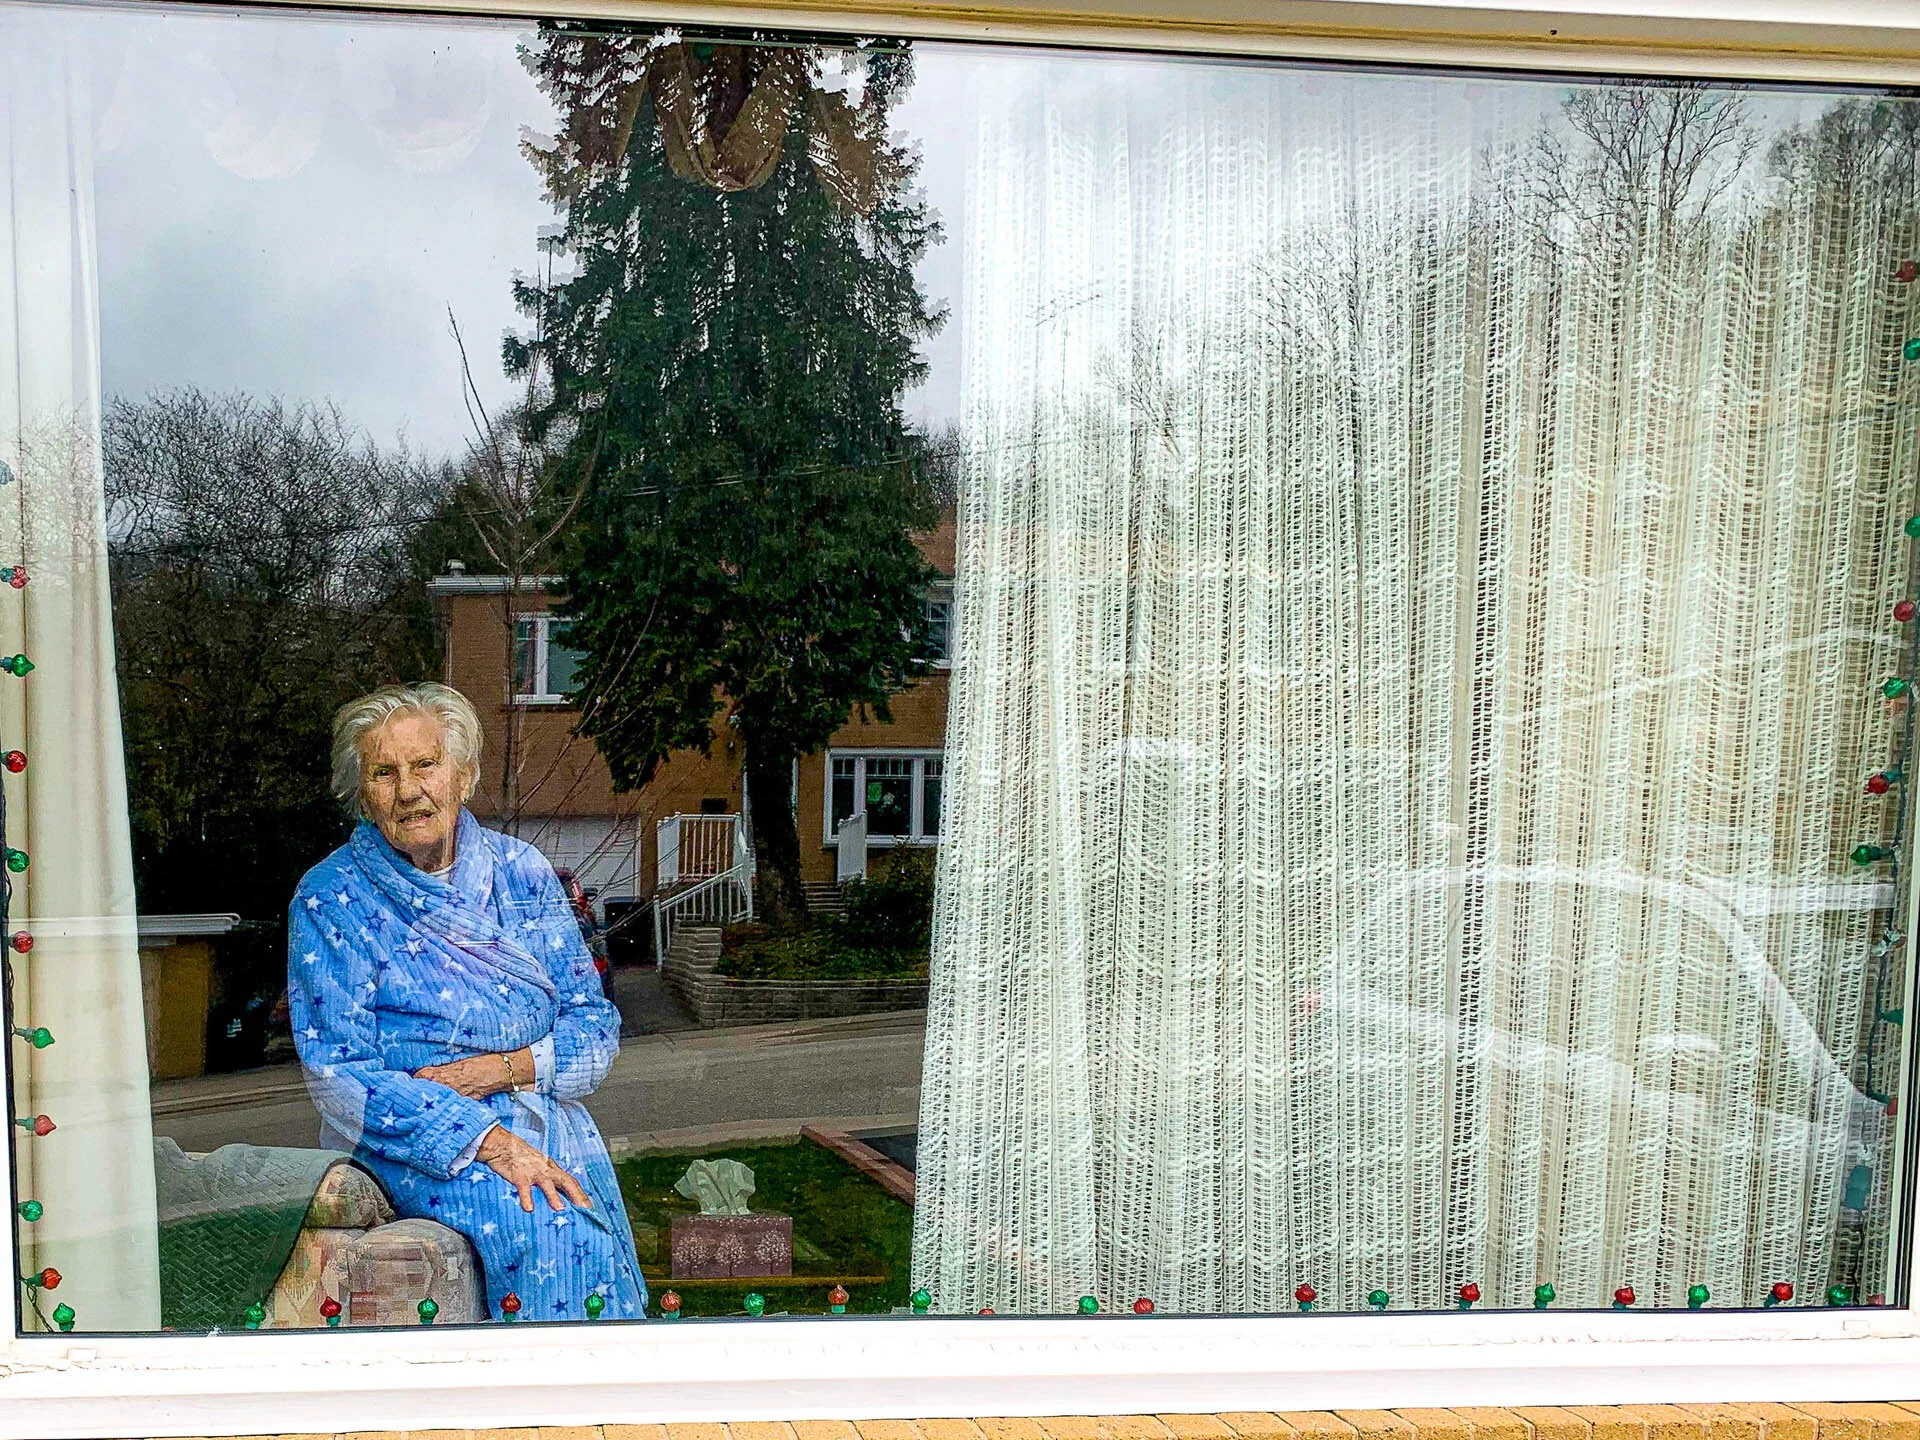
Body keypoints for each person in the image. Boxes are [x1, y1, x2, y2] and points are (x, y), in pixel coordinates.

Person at [287, 681, 647, 1322]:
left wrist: (500, 1071)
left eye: (425, 765)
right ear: (362, 794)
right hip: (418, 1137)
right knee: (550, 1229)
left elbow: (593, 1026)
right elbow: (338, 1075)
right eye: (384, 772)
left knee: (590, 1243)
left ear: (464, 775)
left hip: (544, 1123)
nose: (408, 789)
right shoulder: (331, 896)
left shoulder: (522, 873)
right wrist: (489, 1140)